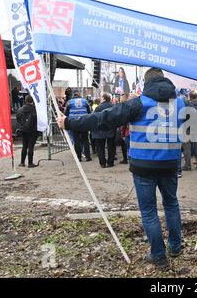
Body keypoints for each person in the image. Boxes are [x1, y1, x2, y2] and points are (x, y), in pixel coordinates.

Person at [57, 68, 184, 270]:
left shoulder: (138, 103)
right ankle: (175, 247)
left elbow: (103, 118)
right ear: (165, 80)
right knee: (171, 204)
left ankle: (159, 256)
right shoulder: (180, 103)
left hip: (143, 167)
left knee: (149, 211)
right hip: (170, 164)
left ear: (145, 83)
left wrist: (70, 122)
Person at [64, 91, 92, 162]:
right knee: (85, 140)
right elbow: (90, 112)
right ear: (79, 95)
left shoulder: (70, 102)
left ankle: (78, 157)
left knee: (76, 140)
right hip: (84, 122)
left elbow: (66, 113)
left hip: (74, 123)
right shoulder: (85, 101)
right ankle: (88, 157)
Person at [92, 93, 116, 168]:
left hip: (100, 130)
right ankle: (110, 162)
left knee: (100, 147)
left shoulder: (98, 107)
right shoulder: (114, 106)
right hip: (111, 129)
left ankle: (102, 163)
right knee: (111, 146)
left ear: (104, 99)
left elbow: (95, 118)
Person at [182, 92, 197, 171]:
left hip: (186, 128)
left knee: (187, 148)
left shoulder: (184, 108)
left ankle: (187, 165)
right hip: (196, 128)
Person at [16, 95, 39, 168]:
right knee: (31, 146)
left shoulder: (20, 109)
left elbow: (18, 119)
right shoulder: (35, 109)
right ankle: (30, 163)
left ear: (25, 100)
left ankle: (22, 162)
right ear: (32, 101)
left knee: (24, 146)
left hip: (24, 130)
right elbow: (38, 119)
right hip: (33, 130)